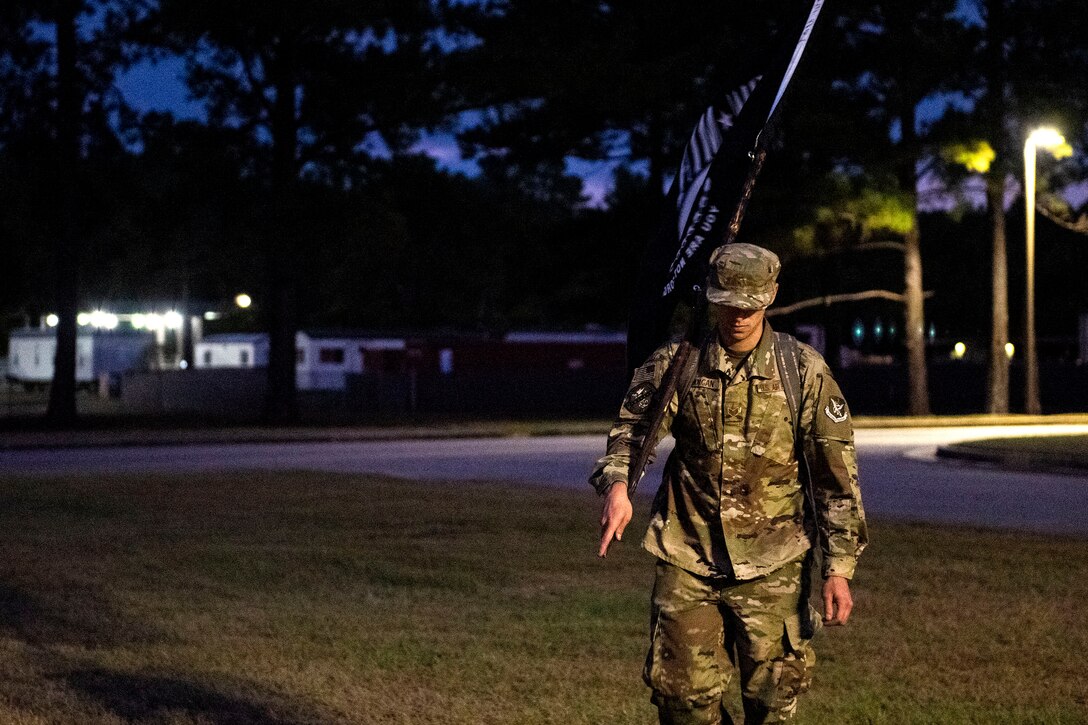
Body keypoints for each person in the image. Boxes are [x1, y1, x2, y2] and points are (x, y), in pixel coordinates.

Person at [589, 242, 867, 724]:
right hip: (688, 554)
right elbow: (634, 431)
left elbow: (835, 475)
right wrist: (619, 487)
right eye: (725, 303)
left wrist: (838, 567)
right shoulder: (681, 362)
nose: (737, 316)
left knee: (773, 702)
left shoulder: (802, 371)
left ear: (770, 297)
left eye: (748, 305)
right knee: (681, 700)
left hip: (774, 562)